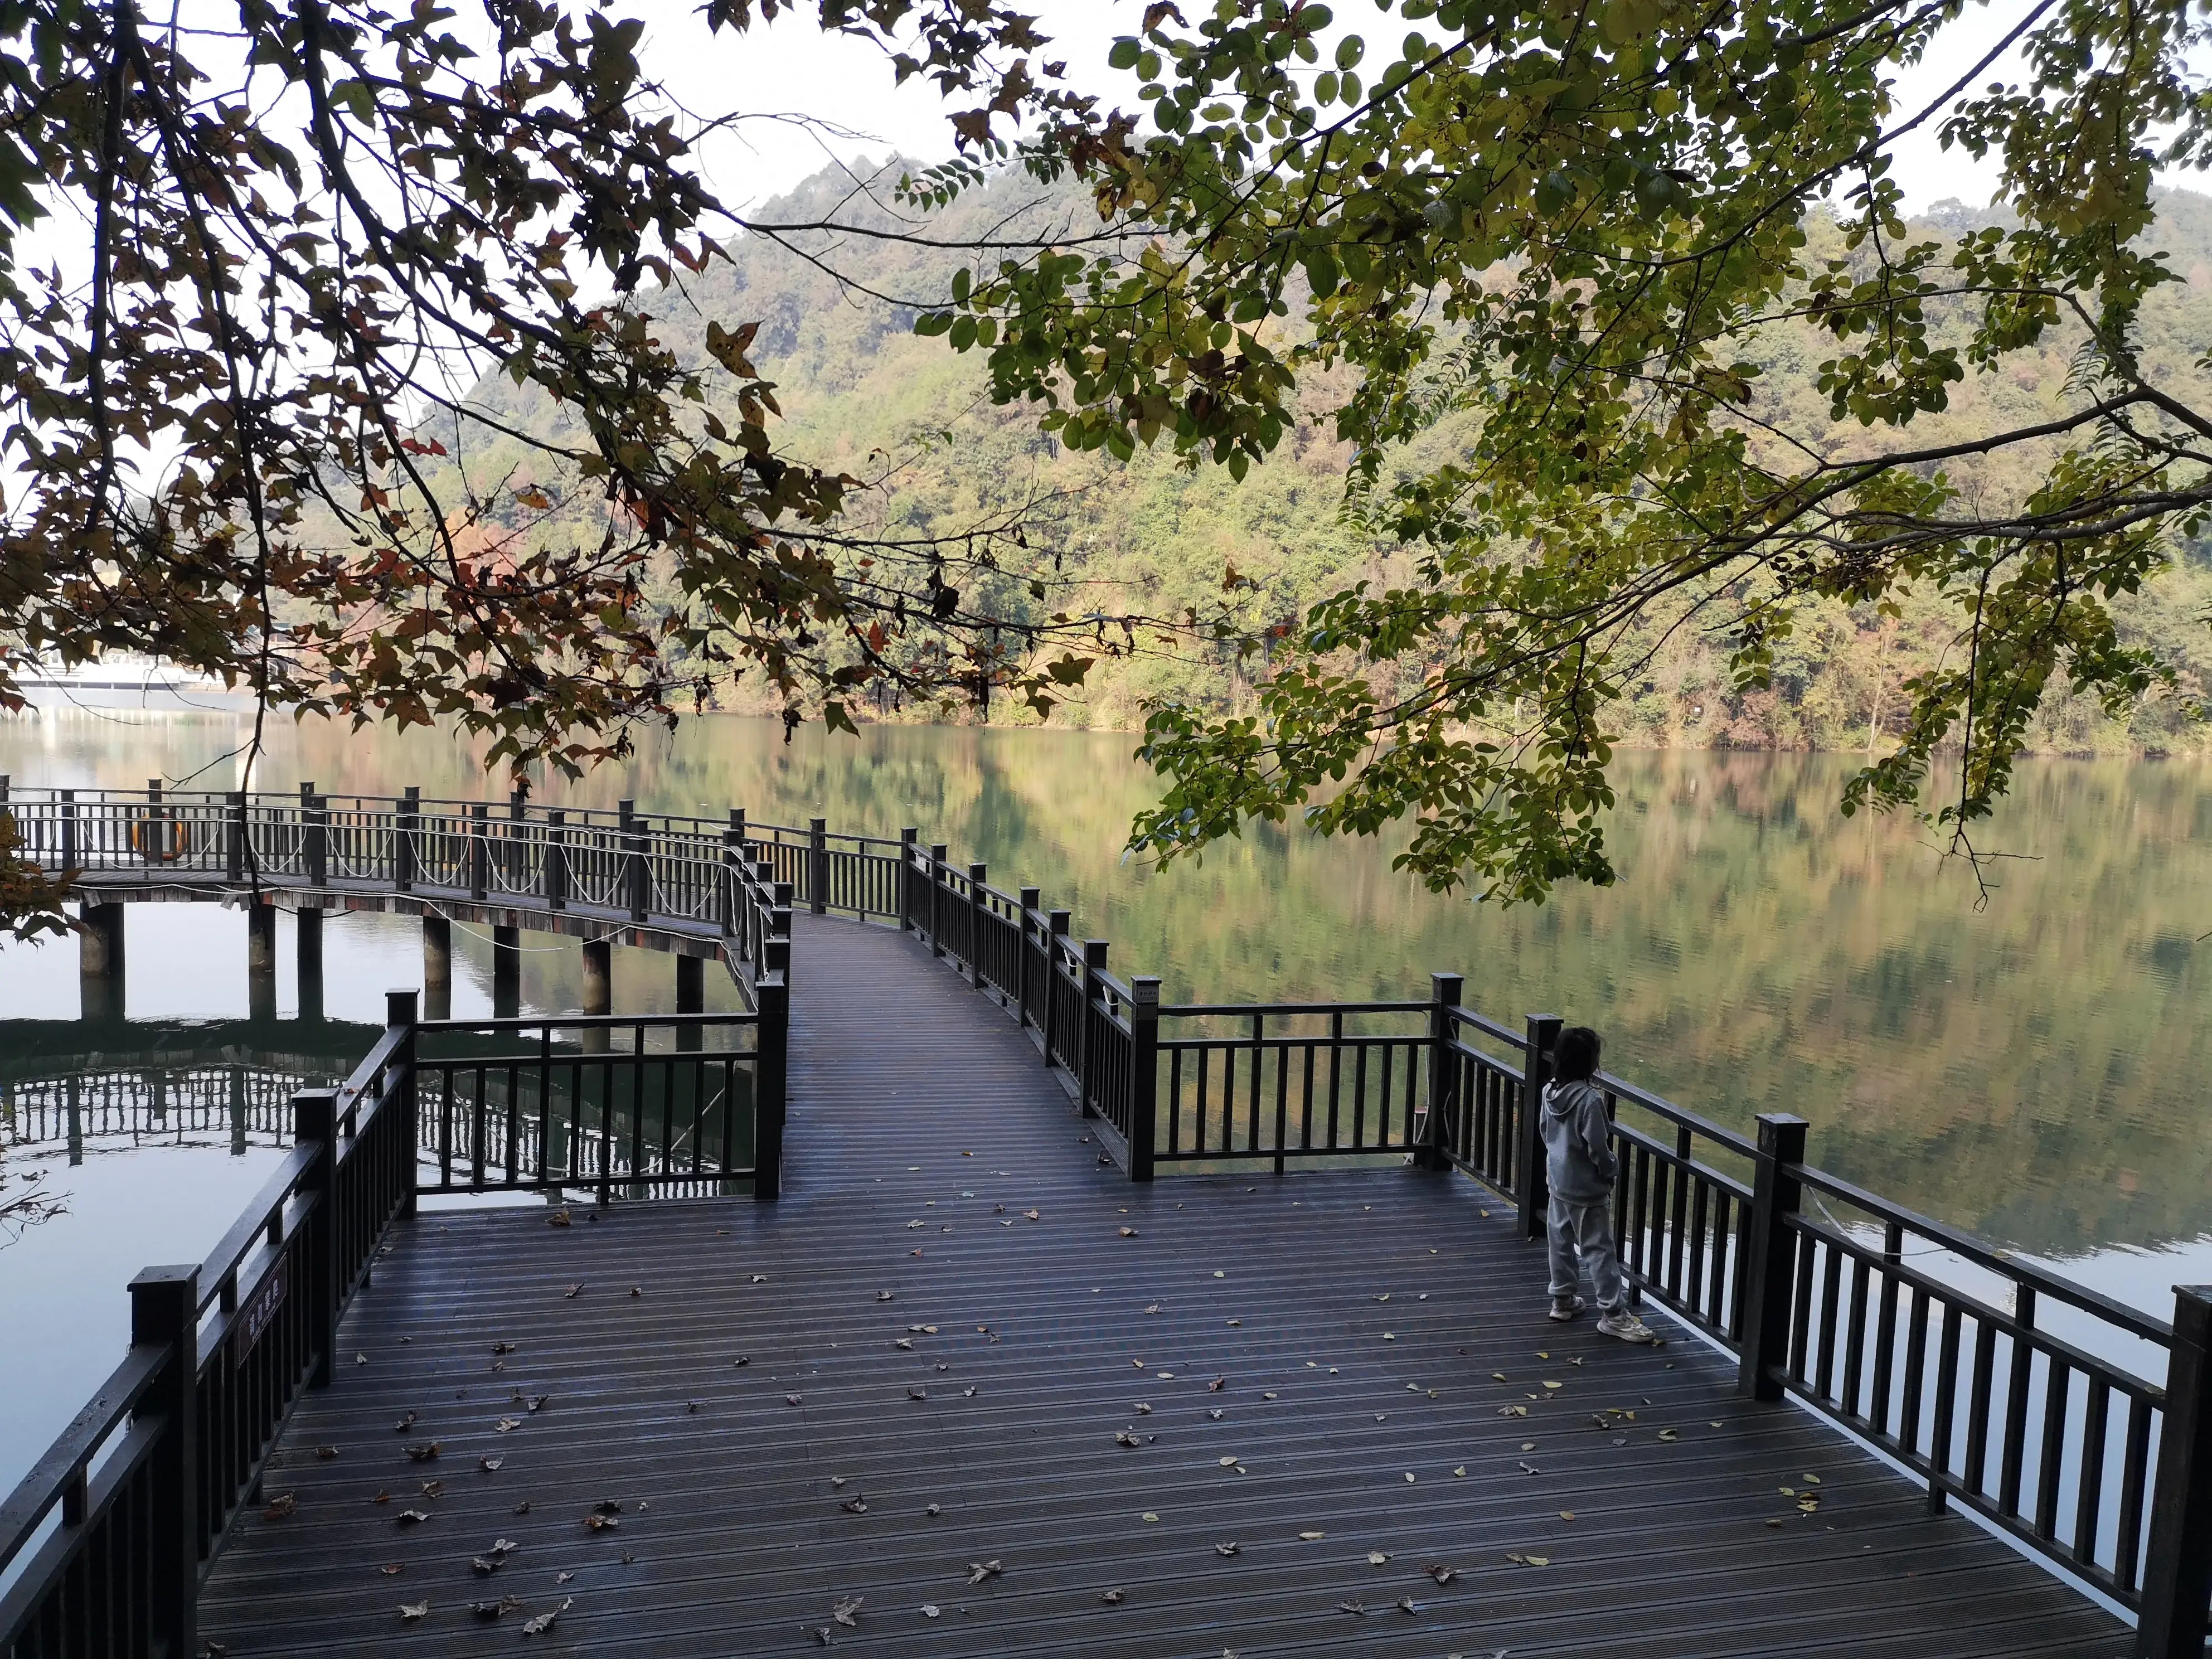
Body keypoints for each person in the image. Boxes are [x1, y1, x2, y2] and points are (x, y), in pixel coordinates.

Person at [1540, 1026, 1660, 1343]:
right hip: (1586, 1188)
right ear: (1589, 1063)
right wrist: (1611, 1171)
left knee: (1561, 1241)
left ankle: (1563, 1300)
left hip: (1558, 1182)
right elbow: (1597, 1148)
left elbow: (1544, 1131)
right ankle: (1613, 1314)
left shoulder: (1549, 1092)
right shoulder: (1590, 1100)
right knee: (1598, 1249)